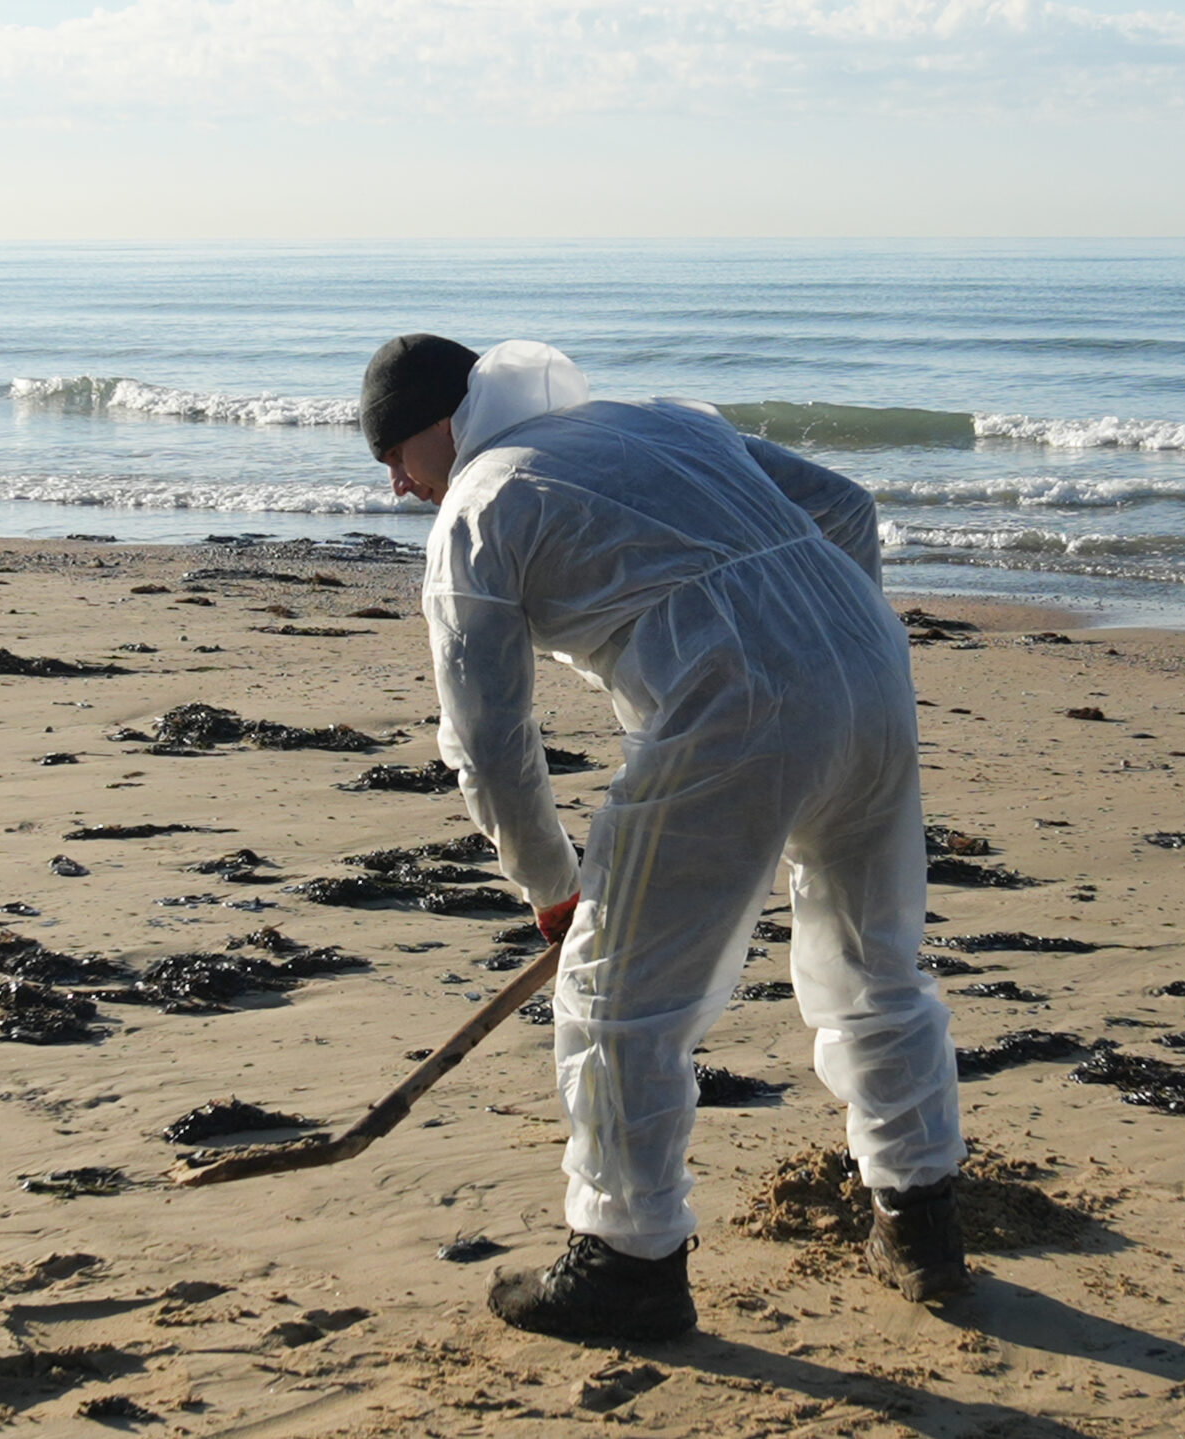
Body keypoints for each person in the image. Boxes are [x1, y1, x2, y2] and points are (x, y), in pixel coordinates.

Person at [360, 333, 969, 1342]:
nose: (394, 485)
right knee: (874, 964)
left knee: (617, 999)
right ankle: (922, 1224)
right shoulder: (662, 422)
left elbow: (487, 739)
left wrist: (551, 890)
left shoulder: (479, 504)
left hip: (735, 705)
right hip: (871, 673)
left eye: (392, 456)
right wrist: (830, 649)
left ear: (438, 426)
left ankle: (627, 1262)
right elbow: (845, 508)